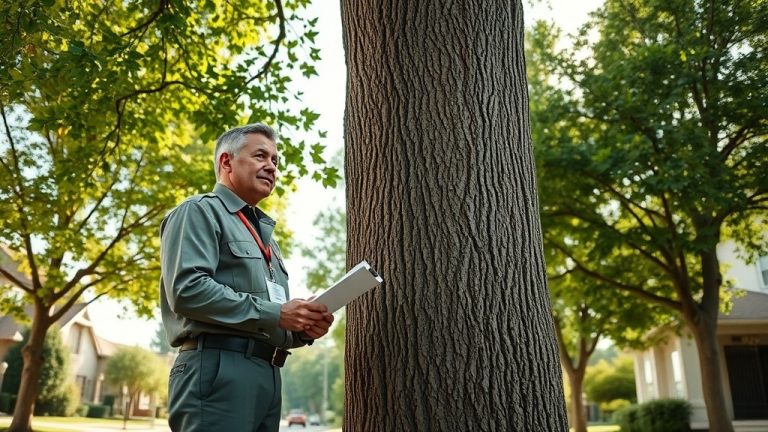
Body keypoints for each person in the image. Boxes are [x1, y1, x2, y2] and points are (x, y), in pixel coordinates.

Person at [160, 123, 334, 432]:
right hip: (218, 369)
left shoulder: (267, 240)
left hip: (268, 374)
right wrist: (278, 313)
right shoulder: (198, 212)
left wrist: (304, 329)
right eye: (260, 156)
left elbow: (270, 317)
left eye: (275, 161)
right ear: (226, 162)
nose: (271, 166)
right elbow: (187, 291)